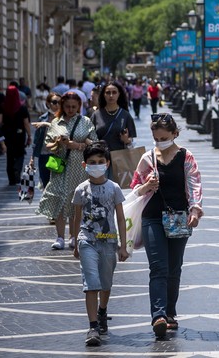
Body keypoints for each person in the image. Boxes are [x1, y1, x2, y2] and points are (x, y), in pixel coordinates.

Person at [130, 113, 203, 337]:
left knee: (174, 268)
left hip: (179, 217)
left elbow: (194, 183)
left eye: (164, 137)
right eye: (156, 138)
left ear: (174, 134)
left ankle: (170, 312)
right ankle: (158, 315)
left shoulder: (186, 156)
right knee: (158, 268)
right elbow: (134, 188)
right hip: (152, 217)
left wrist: (195, 210)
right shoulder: (147, 158)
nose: (160, 142)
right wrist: (146, 186)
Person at [71, 142, 129, 347]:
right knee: (91, 284)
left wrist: (123, 245)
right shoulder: (80, 189)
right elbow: (76, 217)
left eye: (100, 162)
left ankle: (102, 311)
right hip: (87, 241)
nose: (96, 165)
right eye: (92, 162)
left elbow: (121, 218)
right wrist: (75, 242)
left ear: (107, 163)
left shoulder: (113, 188)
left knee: (105, 283)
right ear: (85, 165)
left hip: (108, 242)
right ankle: (93, 326)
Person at [38, 92, 98, 251]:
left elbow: (95, 143)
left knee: (75, 200)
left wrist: (76, 145)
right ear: (62, 106)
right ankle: (59, 237)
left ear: (79, 106)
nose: (70, 109)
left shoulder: (85, 121)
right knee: (58, 198)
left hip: (78, 166)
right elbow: (47, 145)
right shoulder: (56, 122)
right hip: (59, 165)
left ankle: (73, 235)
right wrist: (58, 143)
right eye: (67, 107)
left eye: (74, 107)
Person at [92, 82, 136, 174]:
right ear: (103, 95)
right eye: (108, 92)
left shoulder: (125, 115)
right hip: (99, 159)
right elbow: (89, 136)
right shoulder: (96, 114)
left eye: (114, 92)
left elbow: (131, 140)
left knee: (115, 187)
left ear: (119, 94)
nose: (111, 95)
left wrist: (126, 140)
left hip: (118, 159)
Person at [2, 85, 32, 186]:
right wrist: (29, 136)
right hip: (19, 134)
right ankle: (17, 169)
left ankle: (11, 179)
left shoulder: (3, 107)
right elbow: (26, 123)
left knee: (9, 155)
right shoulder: (22, 108)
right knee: (20, 154)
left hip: (7, 134)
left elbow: (0, 122)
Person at [31, 92, 62, 188]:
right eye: (54, 102)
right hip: (44, 155)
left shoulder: (64, 118)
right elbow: (36, 140)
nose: (57, 105)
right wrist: (32, 159)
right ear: (48, 103)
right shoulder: (42, 118)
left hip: (57, 155)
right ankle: (47, 203)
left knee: (56, 184)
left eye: (60, 102)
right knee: (45, 183)